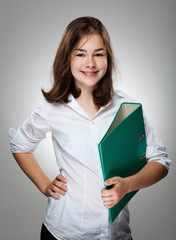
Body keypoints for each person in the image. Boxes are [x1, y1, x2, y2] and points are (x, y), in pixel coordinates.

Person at [8, 16, 171, 240]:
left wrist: (128, 185)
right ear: (67, 58)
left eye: (98, 54)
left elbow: (160, 161)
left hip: (116, 234)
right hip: (63, 232)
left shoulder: (128, 108)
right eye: (81, 54)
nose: (90, 63)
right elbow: (20, 145)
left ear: (108, 57)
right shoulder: (52, 107)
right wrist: (45, 185)